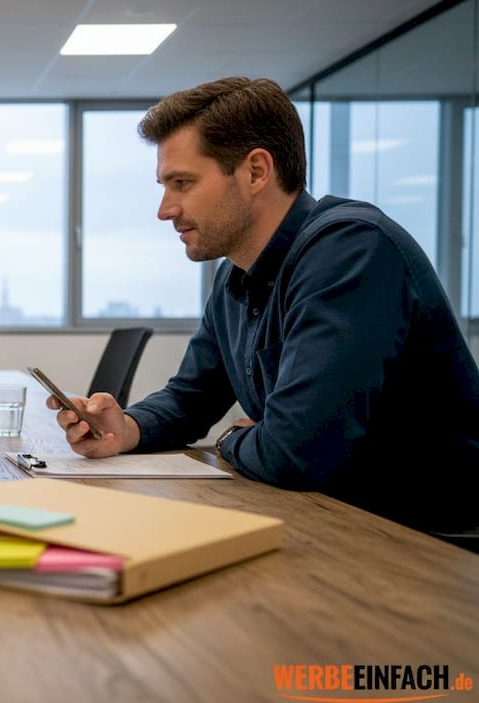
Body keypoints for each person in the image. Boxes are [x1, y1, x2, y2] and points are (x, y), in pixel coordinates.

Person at [51, 76, 479, 535]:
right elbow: (191, 397)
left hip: (425, 541)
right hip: (327, 518)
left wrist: (235, 438)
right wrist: (126, 428)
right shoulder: (236, 273)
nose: (165, 209)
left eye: (182, 183)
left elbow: (297, 452)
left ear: (256, 171)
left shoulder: (352, 250)